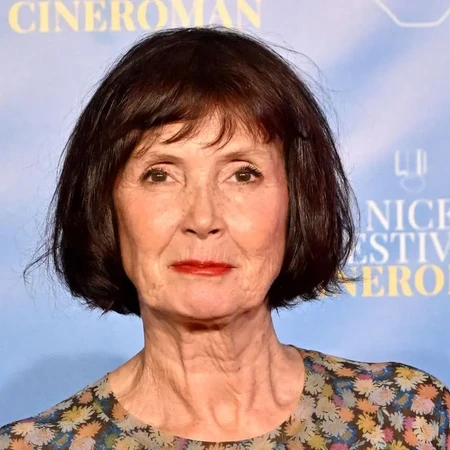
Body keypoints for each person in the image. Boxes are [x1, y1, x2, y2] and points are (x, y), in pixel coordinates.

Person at [1, 25, 449, 450]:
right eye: (160, 175)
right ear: (105, 205)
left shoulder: (409, 420)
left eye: (243, 174)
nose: (203, 218)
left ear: (297, 200)